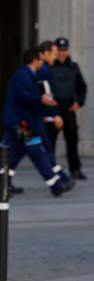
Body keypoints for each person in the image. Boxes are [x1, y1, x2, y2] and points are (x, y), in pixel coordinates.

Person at [0, 48, 75, 199]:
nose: (43, 62)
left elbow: (37, 98)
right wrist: (42, 101)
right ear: (35, 60)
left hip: (24, 123)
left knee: (13, 157)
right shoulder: (23, 75)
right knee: (35, 152)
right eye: (41, 59)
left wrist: (50, 111)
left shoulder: (30, 75)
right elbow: (23, 96)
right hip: (21, 124)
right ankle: (55, 185)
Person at [48, 37, 88, 180]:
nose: (61, 53)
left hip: (69, 108)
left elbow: (82, 86)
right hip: (54, 107)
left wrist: (79, 102)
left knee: (72, 139)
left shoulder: (73, 67)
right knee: (50, 139)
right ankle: (50, 169)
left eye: (64, 50)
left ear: (67, 51)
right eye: (59, 50)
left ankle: (75, 169)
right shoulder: (50, 66)